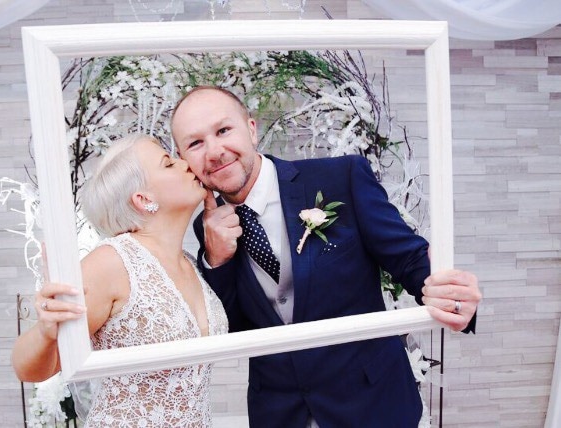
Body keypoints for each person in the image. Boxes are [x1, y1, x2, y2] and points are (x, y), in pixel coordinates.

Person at [170, 86, 482, 428]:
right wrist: (217, 261)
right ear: (183, 157)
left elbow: (408, 260)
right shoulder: (208, 226)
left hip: (372, 404)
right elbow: (235, 329)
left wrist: (451, 296)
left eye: (223, 130)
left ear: (252, 129)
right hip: (280, 413)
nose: (214, 151)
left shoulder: (340, 178)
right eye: (195, 143)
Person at [11, 134, 228, 427]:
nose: (184, 163)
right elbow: (29, 368)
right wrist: (46, 330)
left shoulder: (190, 262)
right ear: (143, 198)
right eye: (168, 162)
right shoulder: (111, 263)